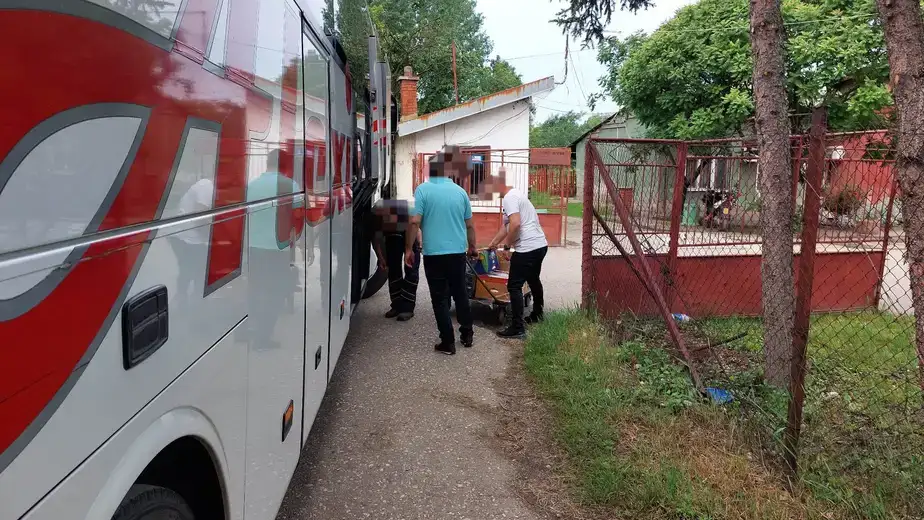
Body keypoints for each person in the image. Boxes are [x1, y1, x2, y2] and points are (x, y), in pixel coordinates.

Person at [406, 146, 477, 355]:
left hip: (434, 255)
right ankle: (467, 334)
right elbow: (470, 225)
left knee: (439, 298)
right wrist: (472, 247)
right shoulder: (461, 192)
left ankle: (448, 342)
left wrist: (408, 249)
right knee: (460, 294)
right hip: (457, 253)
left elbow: (414, 222)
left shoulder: (423, 190)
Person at [486, 167, 549, 338]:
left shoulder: (509, 197)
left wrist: (507, 247)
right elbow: (506, 226)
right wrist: (493, 243)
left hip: (528, 248)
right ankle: (537, 314)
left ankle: (517, 327)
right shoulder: (517, 195)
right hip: (540, 245)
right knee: (533, 279)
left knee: (514, 285)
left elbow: (516, 224)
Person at [369, 199, 420, 321]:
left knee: (411, 270)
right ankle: (397, 305)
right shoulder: (377, 218)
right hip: (394, 236)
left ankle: (407, 308)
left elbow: (416, 229)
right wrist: (381, 258)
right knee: (393, 270)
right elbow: (376, 238)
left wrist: (411, 249)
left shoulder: (407, 213)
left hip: (411, 235)